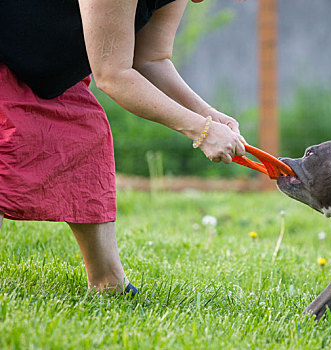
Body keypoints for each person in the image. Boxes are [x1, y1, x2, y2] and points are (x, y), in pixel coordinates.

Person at [0, 0, 246, 295]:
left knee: (85, 138)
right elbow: (112, 75)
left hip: (44, 68)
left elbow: (150, 60)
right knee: (9, 146)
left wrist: (205, 114)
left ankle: (109, 284)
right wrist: (201, 131)